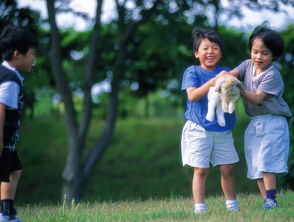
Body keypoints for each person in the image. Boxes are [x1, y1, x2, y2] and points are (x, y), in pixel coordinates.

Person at [227, 25, 292, 209]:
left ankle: (271, 199)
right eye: (255, 52)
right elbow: (233, 74)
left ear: (274, 55)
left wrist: (239, 88)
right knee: (255, 164)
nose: (258, 57)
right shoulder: (247, 65)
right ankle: (267, 201)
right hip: (255, 122)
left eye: (264, 53)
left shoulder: (272, 74)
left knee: (266, 162)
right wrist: (225, 77)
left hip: (273, 122)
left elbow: (257, 99)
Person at [181, 27, 240, 214]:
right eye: (205, 48)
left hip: (223, 128)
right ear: (196, 53)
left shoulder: (226, 72)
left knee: (228, 168)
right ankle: (200, 209)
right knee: (201, 170)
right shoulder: (193, 72)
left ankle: (232, 207)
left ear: (220, 53)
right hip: (199, 128)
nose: (210, 52)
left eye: (215, 48)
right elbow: (192, 96)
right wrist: (212, 82)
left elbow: (236, 86)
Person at [0, 25, 38, 222]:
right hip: (3, 140)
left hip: (8, 141)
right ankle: (5, 215)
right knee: (6, 172)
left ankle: (7, 211)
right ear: (17, 55)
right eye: (32, 54)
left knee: (13, 170)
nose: (34, 59)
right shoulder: (10, 81)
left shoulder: (7, 74)